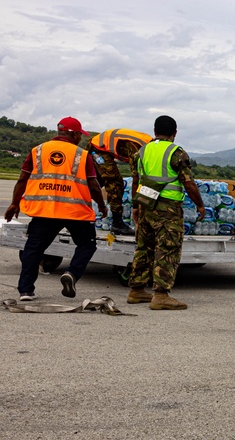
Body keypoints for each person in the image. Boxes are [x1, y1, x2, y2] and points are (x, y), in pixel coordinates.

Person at [4, 117, 108, 301]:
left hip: (45, 211)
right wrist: (101, 205)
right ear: (75, 134)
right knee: (86, 245)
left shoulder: (37, 150)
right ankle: (72, 274)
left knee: (34, 249)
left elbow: (22, 179)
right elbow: (93, 185)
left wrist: (14, 203)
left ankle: (26, 291)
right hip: (75, 212)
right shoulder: (82, 155)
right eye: (80, 135)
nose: (80, 138)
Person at [127, 115, 205, 310]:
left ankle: (136, 290)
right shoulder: (176, 152)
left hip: (146, 205)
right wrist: (200, 205)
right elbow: (188, 183)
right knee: (168, 248)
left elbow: (136, 181)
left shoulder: (141, 152)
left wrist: (135, 207)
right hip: (167, 208)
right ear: (175, 133)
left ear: (154, 131)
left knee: (144, 247)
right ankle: (161, 295)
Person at [89, 128, 153, 235]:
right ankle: (117, 223)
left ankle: (81, 211)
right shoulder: (138, 149)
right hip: (98, 148)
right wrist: (136, 207)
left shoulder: (149, 145)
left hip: (105, 148)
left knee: (97, 183)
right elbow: (136, 179)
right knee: (115, 182)